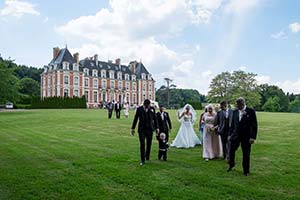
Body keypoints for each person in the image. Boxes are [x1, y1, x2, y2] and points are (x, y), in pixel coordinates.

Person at [227, 97, 258, 176]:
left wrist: (253, 137)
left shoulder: (250, 111)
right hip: (235, 135)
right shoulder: (235, 112)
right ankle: (231, 164)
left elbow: (254, 125)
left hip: (246, 136)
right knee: (231, 150)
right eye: (237, 105)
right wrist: (230, 135)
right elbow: (232, 124)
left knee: (246, 154)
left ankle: (246, 171)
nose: (237, 107)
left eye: (239, 105)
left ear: (243, 103)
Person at [131, 99, 159, 166]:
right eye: (147, 105)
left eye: (149, 105)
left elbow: (155, 119)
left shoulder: (152, 109)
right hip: (142, 129)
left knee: (149, 144)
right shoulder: (139, 109)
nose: (148, 107)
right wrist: (133, 128)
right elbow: (136, 118)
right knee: (142, 144)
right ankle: (142, 160)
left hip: (150, 129)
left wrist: (157, 128)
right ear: (144, 104)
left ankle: (147, 156)